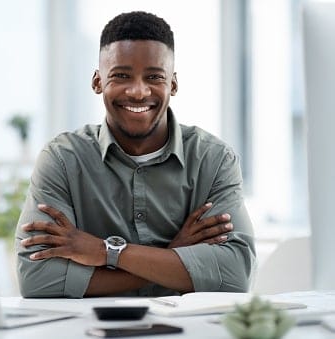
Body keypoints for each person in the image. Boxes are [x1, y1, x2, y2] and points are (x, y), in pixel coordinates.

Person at [15, 11, 255, 298]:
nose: (139, 91)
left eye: (154, 76)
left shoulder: (214, 160)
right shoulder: (62, 159)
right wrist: (172, 257)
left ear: (173, 85)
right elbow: (37, 278)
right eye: (121, 76)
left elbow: (235, 274)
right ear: (97, 82)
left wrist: (107, 252)